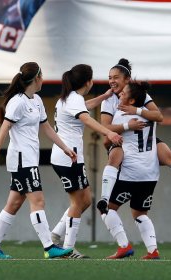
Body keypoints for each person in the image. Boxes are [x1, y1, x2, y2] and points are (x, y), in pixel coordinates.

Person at [0, 62, 77, 259]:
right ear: (37, 78)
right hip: (21, 160)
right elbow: (3, 130)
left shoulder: (36, 100)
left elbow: (48, 128)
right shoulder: (17, 102)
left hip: (28, 160)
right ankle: (49, 247)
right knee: (38, 200)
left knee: (14, 204)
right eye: (42, 76)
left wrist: (66, 148)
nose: (43, 80)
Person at [98, 58, 171, 213]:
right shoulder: (108, 100)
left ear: (127, 80)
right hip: (122, 141)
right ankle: (104, 197)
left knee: (168, 155)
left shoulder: (139, 94)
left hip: (144, 144)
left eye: (116, 77)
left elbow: (159, 116)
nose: (112, 81)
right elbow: (105, 130)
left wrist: (136, 110)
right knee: (114, 152)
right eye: (109, 78)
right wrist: (128, 125)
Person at [50, 64, 122, 259]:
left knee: (85, 200)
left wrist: (105, 97)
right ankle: (68, 248)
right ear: (88, 82)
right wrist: (109, 132)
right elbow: (87, 119)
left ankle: (56, 235)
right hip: (69, 157)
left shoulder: (70, 98)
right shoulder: (73, 100)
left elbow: (86, 106)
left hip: (67, 156)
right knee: (78, 202)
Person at [100, 80, 161, 259]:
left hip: (130, 173)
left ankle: (124, 246)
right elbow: (159, 116)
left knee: (106, 209)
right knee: (140, 213)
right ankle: (153, 250)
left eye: (124, 93)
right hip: (150, 174)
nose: (120, 95)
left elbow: (105, 131)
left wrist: (122, 127)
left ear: (132, 101)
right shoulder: (150, 116)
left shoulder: (122, 115)